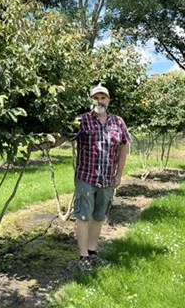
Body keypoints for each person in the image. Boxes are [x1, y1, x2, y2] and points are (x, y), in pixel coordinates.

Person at [74, 84, 131, 271]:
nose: (100, 101)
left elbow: (123, 147)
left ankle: (92, 251)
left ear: (108, 100)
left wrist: (119, 174)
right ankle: (83, 256)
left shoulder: (118, 122)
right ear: (91, 100)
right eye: (96, 98)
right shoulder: (81, 120)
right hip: (86, 177)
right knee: (83, 215)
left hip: (107, 179)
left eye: (103, 98)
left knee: (98, 216)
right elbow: (63, 137)